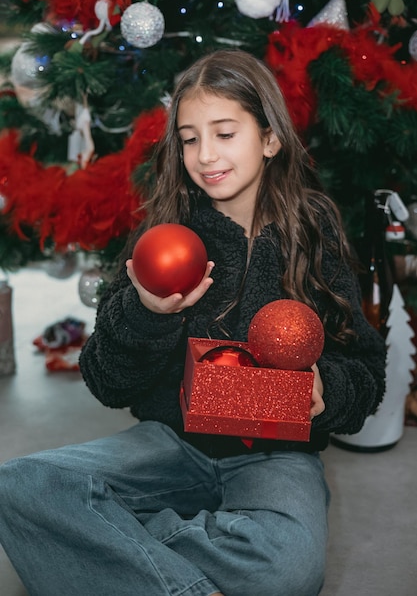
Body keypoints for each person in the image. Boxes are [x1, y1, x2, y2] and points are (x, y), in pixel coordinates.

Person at [0, 49, 386, 596]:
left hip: (275, 456)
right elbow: (105, 382)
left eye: (224, 133)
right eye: (188, 138)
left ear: (270, 139)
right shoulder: (161, 239)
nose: (205, 155)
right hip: (169, 445)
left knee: (287, 570)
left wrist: (329, 388)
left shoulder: (315, 231)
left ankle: (122, 537)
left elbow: (367, 370)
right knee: (21, 485)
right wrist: (146, 315)